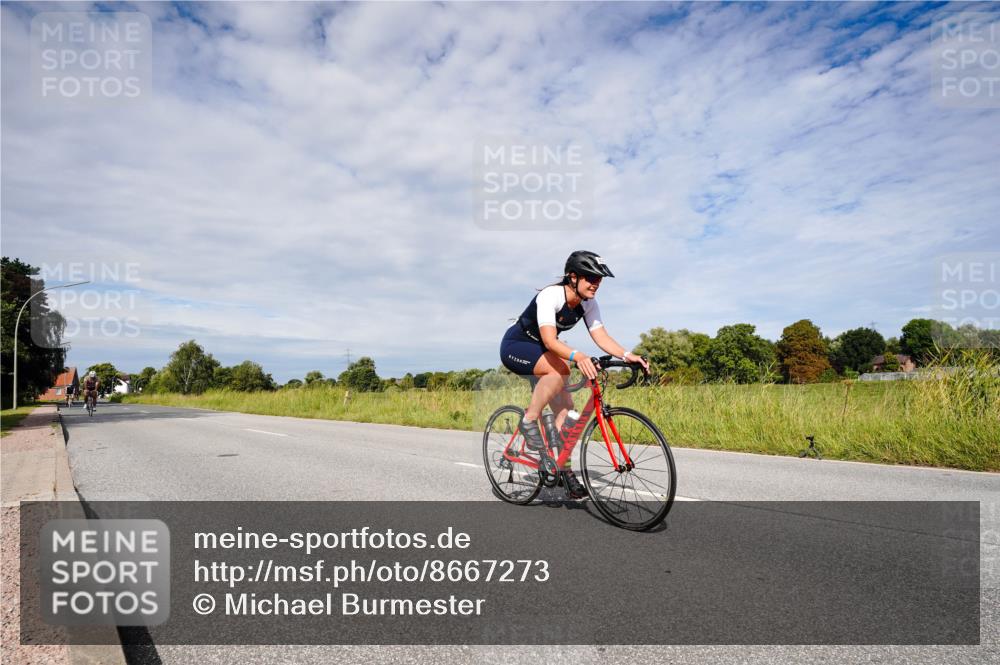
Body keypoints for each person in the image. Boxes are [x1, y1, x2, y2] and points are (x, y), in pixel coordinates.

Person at [499, 251, 649, 499]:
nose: (596, 284)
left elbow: (601, 336)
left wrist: (626, 354)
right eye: (591, 278)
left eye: (599, 279)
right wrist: (579, 356)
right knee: (563, 369)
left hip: (544, 350)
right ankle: (528, 420)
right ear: (573, 277)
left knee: (568, 412)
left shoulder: (588, 303)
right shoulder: (551, 296)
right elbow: (549, 339)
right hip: (516, 346)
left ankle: (561, 467)